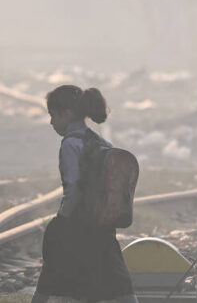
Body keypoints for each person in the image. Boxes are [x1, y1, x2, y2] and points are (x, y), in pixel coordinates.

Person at [32, 85, 137, 303]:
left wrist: (62, 219)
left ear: (67, 114)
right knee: (112, 277)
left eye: (53, 115)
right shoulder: (102, 143)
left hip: (77, 225)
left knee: (53, 274)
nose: (51, 122)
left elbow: (73, 188)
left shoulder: (71, 144)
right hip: (102, 225)